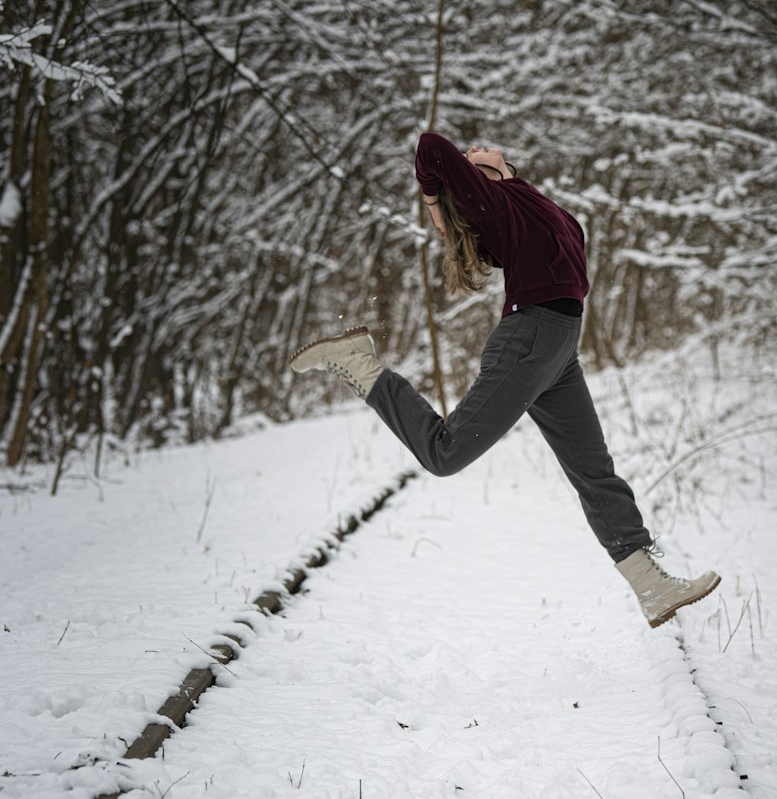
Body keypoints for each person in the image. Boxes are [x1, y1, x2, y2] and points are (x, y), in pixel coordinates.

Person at [290, 132, 720, 627]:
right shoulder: (491, 204)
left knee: (594, 470)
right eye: (470, 156)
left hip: (558, 347)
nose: (474, 148)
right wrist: (438, 202)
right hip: (530, 339)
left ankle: (651, 586)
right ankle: (361, 365)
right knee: (445, 453)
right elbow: (431, 145)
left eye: (479, 151)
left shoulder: (528, 200)